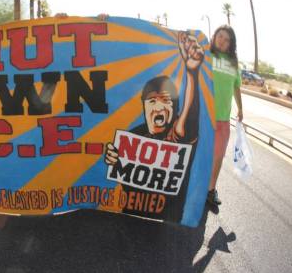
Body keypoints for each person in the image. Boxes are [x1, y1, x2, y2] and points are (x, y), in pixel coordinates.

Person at [104, 31, 204, 222]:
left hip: (166, 223)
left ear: (175, 108)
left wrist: (192, 73)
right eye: (152, 101)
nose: (158, 106)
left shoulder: (176, 133)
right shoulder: (132, 136)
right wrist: (113, 157)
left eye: (165, 101)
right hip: (130, 220)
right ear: (143, 106)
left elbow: (189, 117)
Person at [206, 25, 243, 206]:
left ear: (231, 44)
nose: (222, 40)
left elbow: (236, 86)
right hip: (204, 117)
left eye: (226, 39)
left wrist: (240, 108)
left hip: (222, 121)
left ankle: (210, 190)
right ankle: (192, 189)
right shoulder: (206, 56)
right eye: (219, 36)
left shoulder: (234, 65)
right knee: (200, 155)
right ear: (214, 37)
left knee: (218, 157)